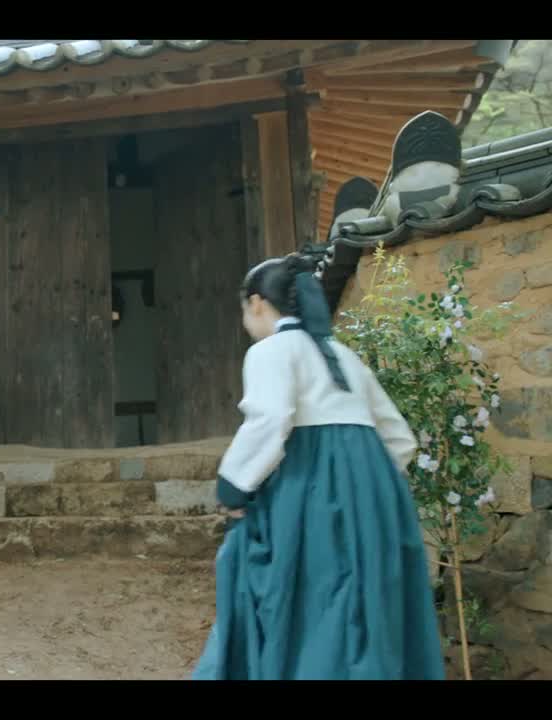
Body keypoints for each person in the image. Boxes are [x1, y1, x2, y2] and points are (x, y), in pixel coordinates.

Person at [191, 253, 445, 680]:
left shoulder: (270, 351)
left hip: (309, 491)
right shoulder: (344, 356)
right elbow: (399, 438)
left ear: (257, 304)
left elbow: (271, 420)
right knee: (362, 609)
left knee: (310, 606)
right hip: (375, 499)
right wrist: (372, 486)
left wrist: (233, 487)